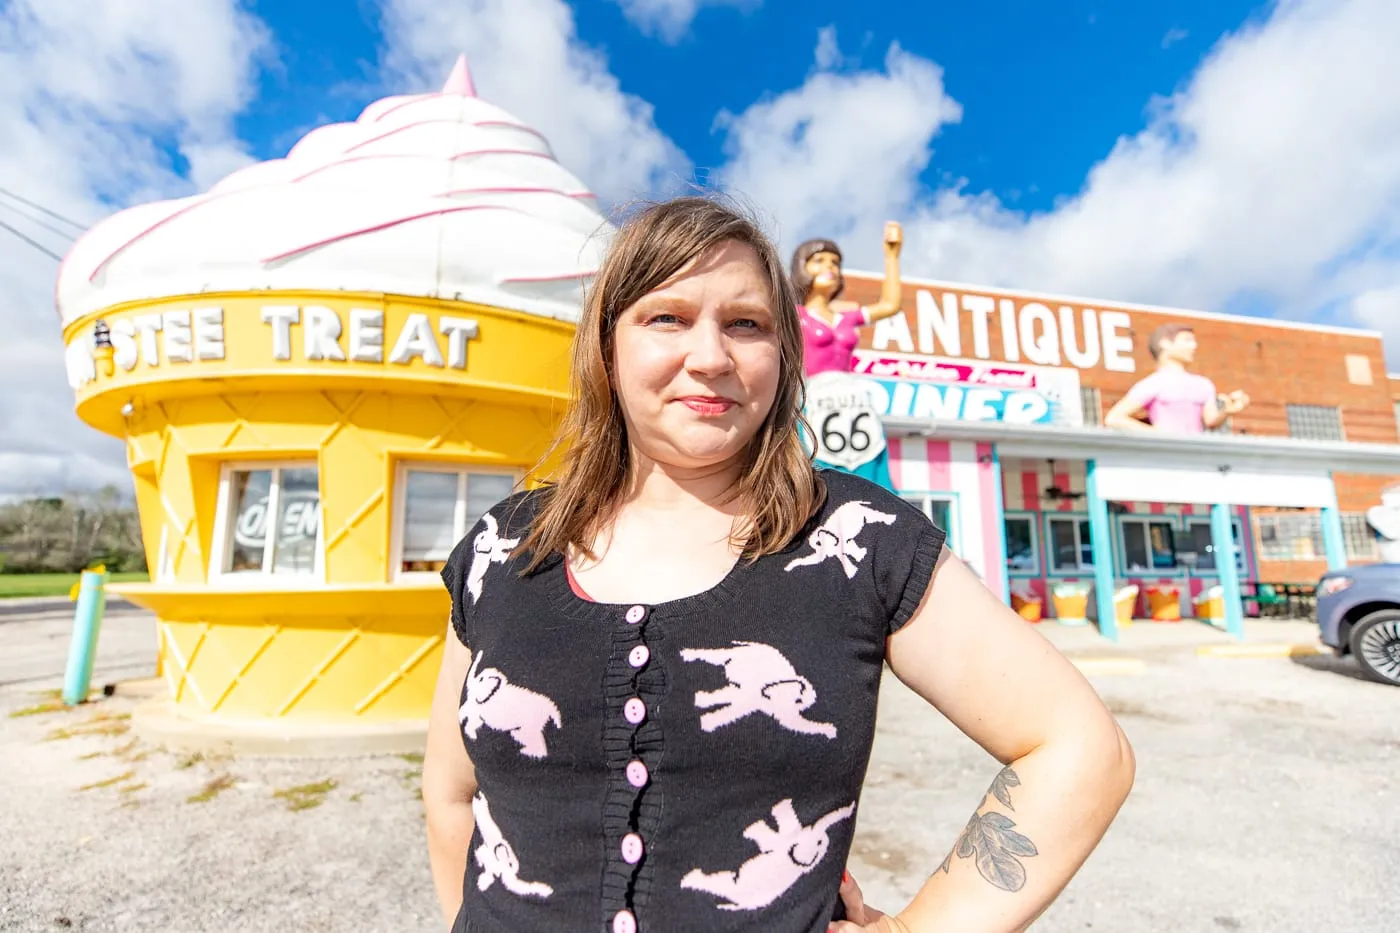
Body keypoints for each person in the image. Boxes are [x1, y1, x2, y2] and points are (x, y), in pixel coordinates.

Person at [422, 196, 1135, 933]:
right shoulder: (501, 550)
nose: (710, 356)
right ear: (608, 346)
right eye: (667, 316)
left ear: (783, 355)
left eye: (746, 324)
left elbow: (1080, 747)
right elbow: (450, 793)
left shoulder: (859, 538)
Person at [792, 225, 905, 378]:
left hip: (847, 395)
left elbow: (890, 305)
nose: (829, 267)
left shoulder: (846, 319)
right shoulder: (795, 314)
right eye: (819, 261)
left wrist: (892, 257)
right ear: (802, 267)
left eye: (835, 263)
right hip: (810, 393)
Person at [1104, 323, 1249, 433]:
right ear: (1165, 343)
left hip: (1196, 455)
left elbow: (1211, 421)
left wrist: (1226, 412)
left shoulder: (1203, 385)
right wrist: (1156, 435)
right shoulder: (1153, 384)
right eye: (1187, 340)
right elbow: (1114, 418)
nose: (1194, 346)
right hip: (1166, 459)